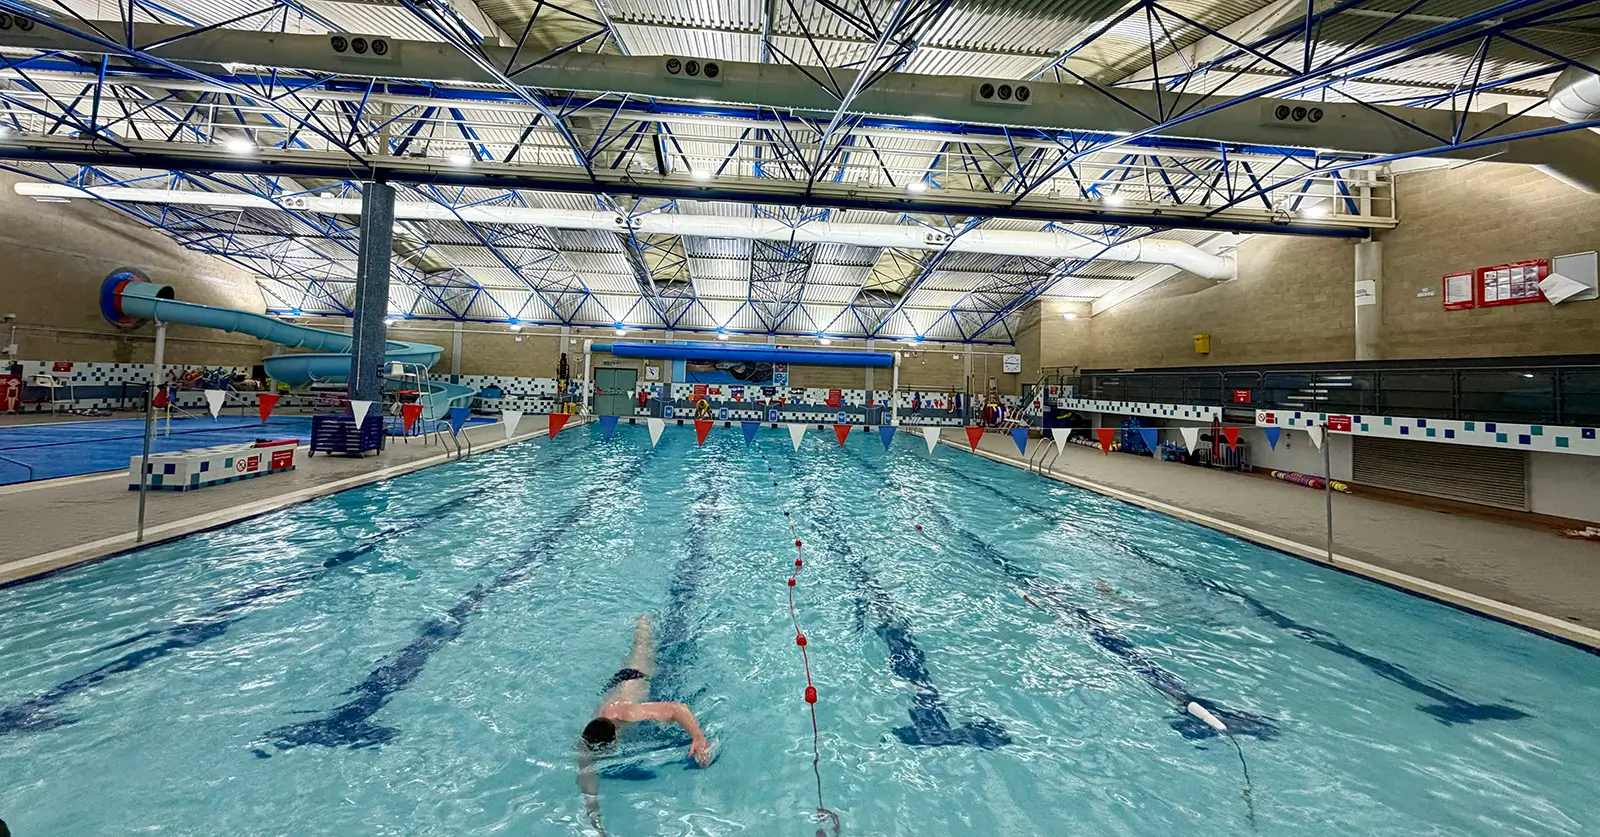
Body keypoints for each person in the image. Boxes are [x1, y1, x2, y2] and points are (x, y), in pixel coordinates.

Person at [577, 615, 712, 834]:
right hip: (617, 685)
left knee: (642, 647)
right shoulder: (588, 738)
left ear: (615, 737)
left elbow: (679, 708)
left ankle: (644, 622)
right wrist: (594, 817)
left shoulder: (628, 714)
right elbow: (586, 779)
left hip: (636, 676)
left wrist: (698, 737)